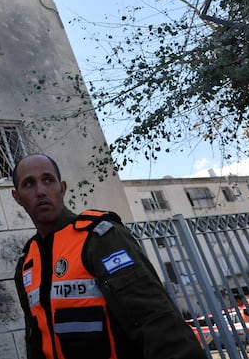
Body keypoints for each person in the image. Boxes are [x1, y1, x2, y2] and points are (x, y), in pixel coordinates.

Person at [11, 153, 206, 359]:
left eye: (48, 180)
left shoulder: (99, 237)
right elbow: (35, 339)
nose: (41, 191)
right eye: (29, 184)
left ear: (63, 188)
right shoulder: (26, 263)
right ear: (18, 197)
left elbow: (155, 320)